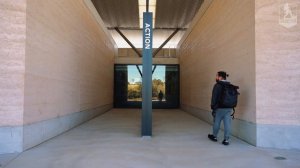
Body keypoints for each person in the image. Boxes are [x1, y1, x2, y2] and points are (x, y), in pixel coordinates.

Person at [208, 71, 232, 145]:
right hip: (229, 108)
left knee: (216, 122)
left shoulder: (217, 85)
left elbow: (214, 97)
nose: (216, 77)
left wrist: (213, 107)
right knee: (227, 123)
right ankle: (226, 140)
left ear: (220, 77)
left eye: (217, 76)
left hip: (219, 108)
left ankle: (214, 136)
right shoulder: (230, 85)